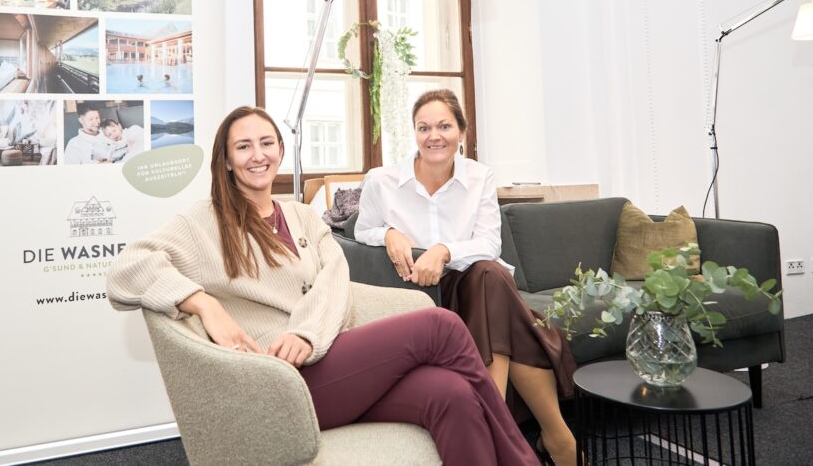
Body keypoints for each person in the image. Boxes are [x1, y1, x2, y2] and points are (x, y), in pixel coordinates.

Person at [106, 106, 539, 466]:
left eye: (266, 143)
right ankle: (522, 459)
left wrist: (305, 334)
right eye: (243, 146)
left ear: (280, 150)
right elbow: (127, 269)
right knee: (439, 325)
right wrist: (203, 303)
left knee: (452, 394)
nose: (258, 155)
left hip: (327, 361)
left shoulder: (302, 216)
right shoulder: (204, 221)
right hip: (275, 381)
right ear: (226, 160)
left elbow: (335, 282)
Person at [355, 89, 578, 466]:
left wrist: (443, 250)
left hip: (473, 287)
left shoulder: (479, 176)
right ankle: (557, 437)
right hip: (421, 296)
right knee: (510, 309)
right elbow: (361, 231)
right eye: (423, 127)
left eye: (444, 126)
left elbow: (489, 243)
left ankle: (496, 432)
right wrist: (388, 233)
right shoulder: (382, 180)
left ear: (462, 131)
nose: (433, 136)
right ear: (414, 132)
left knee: (489, 275)